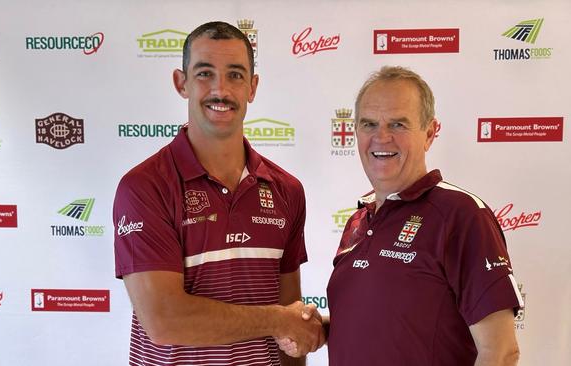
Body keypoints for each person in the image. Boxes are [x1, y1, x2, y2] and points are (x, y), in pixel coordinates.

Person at [279, 66, 523, 365]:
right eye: (369, 124)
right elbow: (394, 328)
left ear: (430, 133)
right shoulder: (359, 219)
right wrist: (322, 329)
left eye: (397, 124)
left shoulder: (461, 214)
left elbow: (500, 352)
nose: (381, 137)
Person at [113, 21, 323, 366]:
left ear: (252, 87)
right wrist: (276, 319)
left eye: (236, 75)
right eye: (205, 73)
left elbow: (292, 333)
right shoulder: (144, 187)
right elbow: (165, 321)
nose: (220, 90)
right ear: (181, 83)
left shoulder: (287, 190)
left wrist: (288, 324)